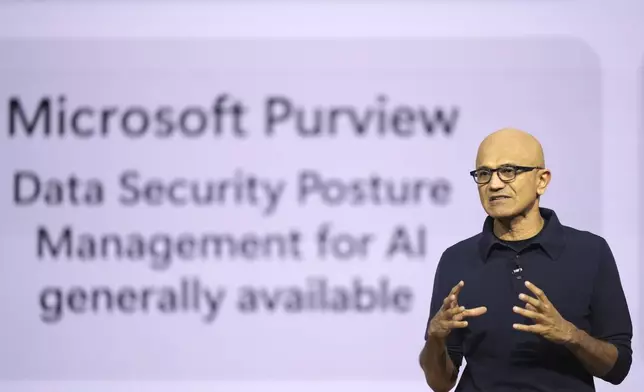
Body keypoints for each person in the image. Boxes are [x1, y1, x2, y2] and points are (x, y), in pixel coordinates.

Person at [418, 128, 633, 392]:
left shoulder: (590, 251)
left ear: (542, 180)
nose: (494, 184)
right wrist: (436, 338)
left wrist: (571, 335)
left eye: (508, 171)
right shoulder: (457, 259)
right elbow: (441, 383)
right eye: (484, 174)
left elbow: (618, 368)